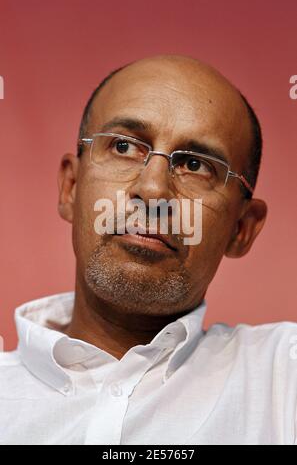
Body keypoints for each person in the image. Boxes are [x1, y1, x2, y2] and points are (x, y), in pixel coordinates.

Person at [0, 54, 295, 445]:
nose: (154, 190)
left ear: (242, 228)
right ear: (71, 187)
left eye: (195, 164)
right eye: (123, 146)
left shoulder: (284, 379)